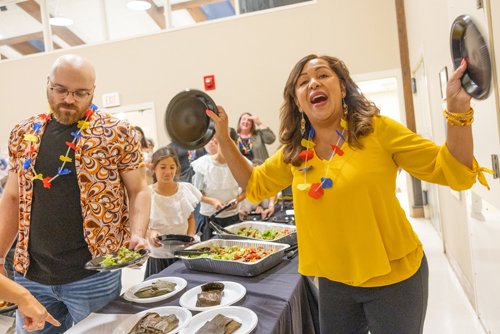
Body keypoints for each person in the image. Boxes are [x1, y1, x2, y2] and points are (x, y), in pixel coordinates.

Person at [207, 54, 492, 333]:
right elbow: (255, 184)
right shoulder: (295, 152)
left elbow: (451, 169)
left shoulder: (378, 131)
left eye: (323, 75)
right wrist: (223, 136)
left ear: (342, 87)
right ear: (297, 101)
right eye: (304, 82)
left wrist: (457, 108)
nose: (314, 84)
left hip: (395, 278)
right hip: (335, 282)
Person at [0, 54, 151, 334]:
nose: (69, 99)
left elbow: (139, 189)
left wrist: (137, 232)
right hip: (31, 275)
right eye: (60, 90)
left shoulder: (117, 132)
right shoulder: (22, 133)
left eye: (80, 93)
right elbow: (11, 197)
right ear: (48, 84)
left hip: (93, 273)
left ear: (93, 91)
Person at [144, 147, 201, 278]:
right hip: (158, 255)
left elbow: (190, 219)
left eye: (172, 167)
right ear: (153, 168)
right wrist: (150, 233)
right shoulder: (147, 194)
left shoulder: (186, 189)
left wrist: (190, 235)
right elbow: (140, 226)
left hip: (183, 254)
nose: (168, 172)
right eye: (163, 167)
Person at [192, 129, 249, 241]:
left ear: (236, 144)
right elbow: (196, 194)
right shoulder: (203, 164)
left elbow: (247, 190)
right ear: (217, 142)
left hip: (232, 218)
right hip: (209, 219)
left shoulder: (241, 164)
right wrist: (213, 201)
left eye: (231, 144)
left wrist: (237, 200)